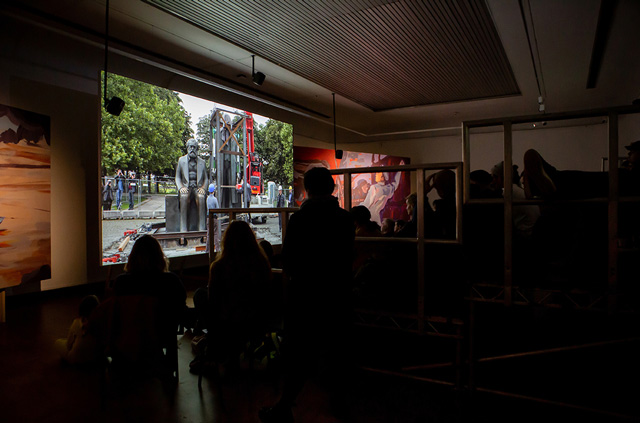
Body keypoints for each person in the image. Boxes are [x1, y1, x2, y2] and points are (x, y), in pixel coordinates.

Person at [259, 167, 355, 423]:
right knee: (337, 353)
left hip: (306, 297)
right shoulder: (345, 219)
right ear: (332, 188)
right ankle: (339, 404)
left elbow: (289, 262)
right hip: (337, 295)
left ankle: (285, 406)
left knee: (300, 355)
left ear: (308, 189)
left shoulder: (300, 220)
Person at [191, 220, 272, 373]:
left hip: (226, 325)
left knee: (200, 295)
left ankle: (214, 346)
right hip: (255, 323)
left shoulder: (219, 267)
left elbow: (213, 302)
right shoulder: (261, 263)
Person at [112, 235, 187, 326]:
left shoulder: (121, 282)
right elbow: (182, 315)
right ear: (159, 256)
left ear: (132, 257)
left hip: (130, 338)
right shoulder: (171, 281)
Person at [522, 141, 640, 199]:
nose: (629, 153)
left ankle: (547, 182)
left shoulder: (630, 177)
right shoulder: (629, 175)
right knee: (583, 181)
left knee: (583, 181)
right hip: (618, 185)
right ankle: (548, 181)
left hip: (619, 185)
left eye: (633, 151)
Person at [491, 161, 540, 239]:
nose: (493, 181)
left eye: (495, 177)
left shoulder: (508, 192)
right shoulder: (516, 189)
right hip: (533, 229)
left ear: (501, 177)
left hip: (526, 233)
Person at [54, 295, 100, 365]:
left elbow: (68, 345)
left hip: (76, 359)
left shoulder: (77, 322)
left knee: (58, 342)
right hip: (95, 358)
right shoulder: (101, 322)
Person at [175, 138, 209, 232]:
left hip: (197, 187)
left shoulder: (202, 162)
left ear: (197, 149)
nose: (192, 149)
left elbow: (206, 179)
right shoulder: (181, 161)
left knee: (201, 197)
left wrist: (203, 188)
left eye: (194, 147)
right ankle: (183, 229)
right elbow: (177, 177)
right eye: (191, 147)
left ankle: (202, 229)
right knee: (184, 196)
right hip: (186, 187)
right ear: (187, 148)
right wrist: (181, 187)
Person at [206, 183, 220, 251]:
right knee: (215, 234)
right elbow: (217, 209)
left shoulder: (207, 199)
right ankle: (217, 249)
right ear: (214, 191)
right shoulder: (215, 199)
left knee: (208, 234)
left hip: (208, 218)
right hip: (214, 218)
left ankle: (207, 250)